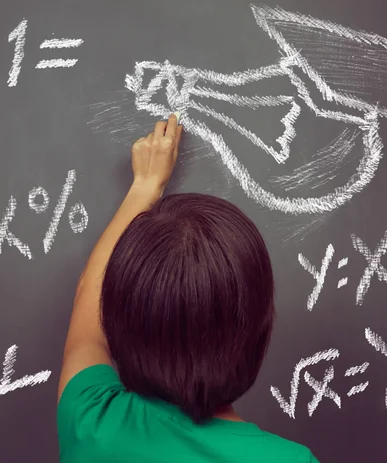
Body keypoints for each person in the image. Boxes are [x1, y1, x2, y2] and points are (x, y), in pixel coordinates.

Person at [57, 113, 319, 462]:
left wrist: (145, 186)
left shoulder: (93, 425)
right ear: (261, 329)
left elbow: (88, 307)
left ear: (118, 321)